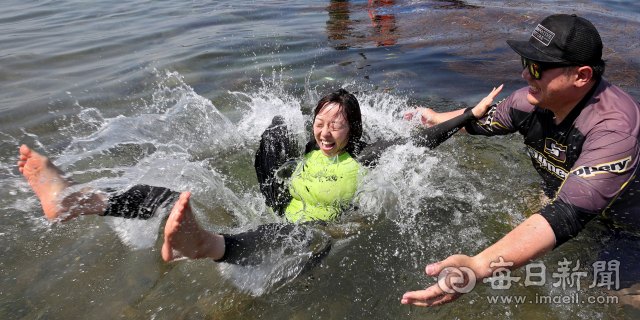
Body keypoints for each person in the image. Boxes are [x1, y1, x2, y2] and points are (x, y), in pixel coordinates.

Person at [18, 88, 500, 265]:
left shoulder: (369, 157)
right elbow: (283, 147)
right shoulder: (308, 149)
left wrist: (468, 115)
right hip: (278, 209)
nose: (325, 129)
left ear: (354, 128)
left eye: (337, 122)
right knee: (167, 195)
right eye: (320, 119)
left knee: (287, 235)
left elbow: (422, 142)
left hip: (321, 234)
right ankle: (76, 201)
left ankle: (203, 244)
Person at [401, 14, 640, 306]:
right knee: (524, 209)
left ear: (582, 76)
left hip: (630, 226)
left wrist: (478, 267)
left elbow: (567, 215)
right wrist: (436, 118)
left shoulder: (615, 131)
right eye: (526, 63)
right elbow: (478, 121)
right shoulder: (529, 102)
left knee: (604, 292)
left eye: (538, 67)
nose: (526, 75)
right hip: (571, 199)